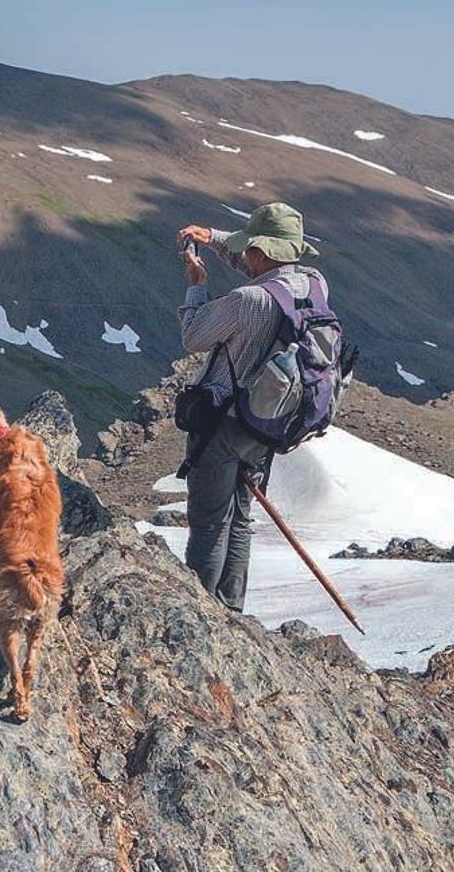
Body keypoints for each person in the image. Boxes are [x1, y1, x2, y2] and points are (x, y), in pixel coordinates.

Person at [174, 202, 327, 612]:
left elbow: (194, 337)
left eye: (248, 249)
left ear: (260, 251)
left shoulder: (246, 300)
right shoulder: (313, 286)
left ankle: (200, 612)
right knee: (240, 519)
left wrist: (197, 284)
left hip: (223, 423)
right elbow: (269, 278)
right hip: (269, 422)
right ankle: (231, 610)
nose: (244, 256)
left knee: (209, 522)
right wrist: (217, 239)